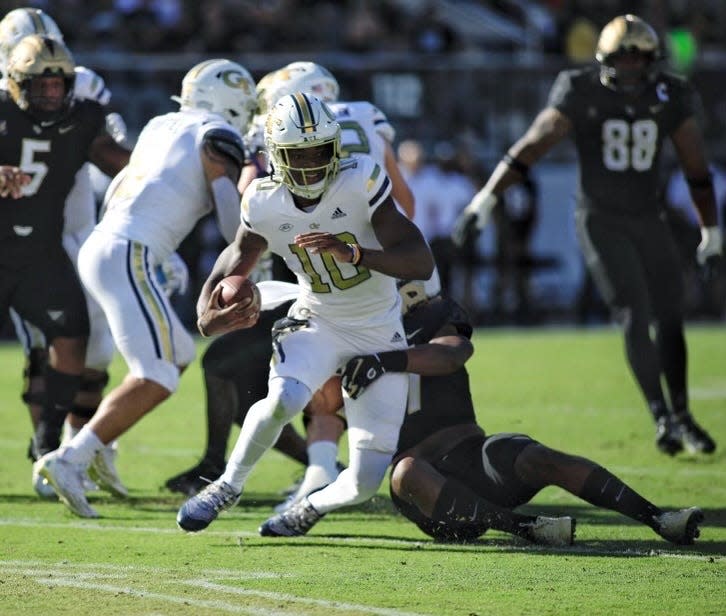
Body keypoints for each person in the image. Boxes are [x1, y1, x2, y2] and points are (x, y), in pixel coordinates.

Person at [452, 14, 720, 456]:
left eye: (639, 58)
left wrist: (712, 233)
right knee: (634, 311)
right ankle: (662, 417)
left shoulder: (672, 93)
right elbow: (532, 147)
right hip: (600, 218)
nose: (631, 67)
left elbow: (696, 168)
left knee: (671, 314)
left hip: (648, 215)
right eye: (623, 57)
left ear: (652, 59)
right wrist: (483, 202)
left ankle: (684, 414)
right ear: (605, 59)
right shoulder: (580, 88)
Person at [175, 92, 434, 534]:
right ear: (278, 155)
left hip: (378, 329)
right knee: (283, 398)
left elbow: (418, 261)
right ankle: (225, 486)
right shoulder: (263, 199)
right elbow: (236, 257)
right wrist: (205, 312)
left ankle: (309, 508)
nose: (313, 163)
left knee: (366, 480)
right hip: (319, 317)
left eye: (320, 151)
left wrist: (352, 252)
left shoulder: (359, 181)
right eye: (300, 153)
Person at [34, 58, 258, 518]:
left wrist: (162, 254)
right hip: (128, 251)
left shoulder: (162, 123)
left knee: (175, 354)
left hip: (106, 241)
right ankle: (73, 456)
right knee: (158, 372)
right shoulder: (219, 135)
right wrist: (260, 245)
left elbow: (124, 187)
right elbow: (231, 222)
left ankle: (97, 447)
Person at [325, 293, 703, 546]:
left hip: (473, 456)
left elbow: (454, 354)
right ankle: (525, 528)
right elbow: (322, 405)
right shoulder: (352, 335)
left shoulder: (431, 313)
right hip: (430, 497)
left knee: (528, 453)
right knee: (406, 471)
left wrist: (384, 361)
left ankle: (658, 518)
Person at [0, 6, 133, 499]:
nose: (51, 89)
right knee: (47, 344)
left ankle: (73, 448)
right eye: (38, 80)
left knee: (87, 344)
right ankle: (54, 451)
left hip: (69, 232)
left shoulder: (85, 98)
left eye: (59, 81)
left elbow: (117, 161)